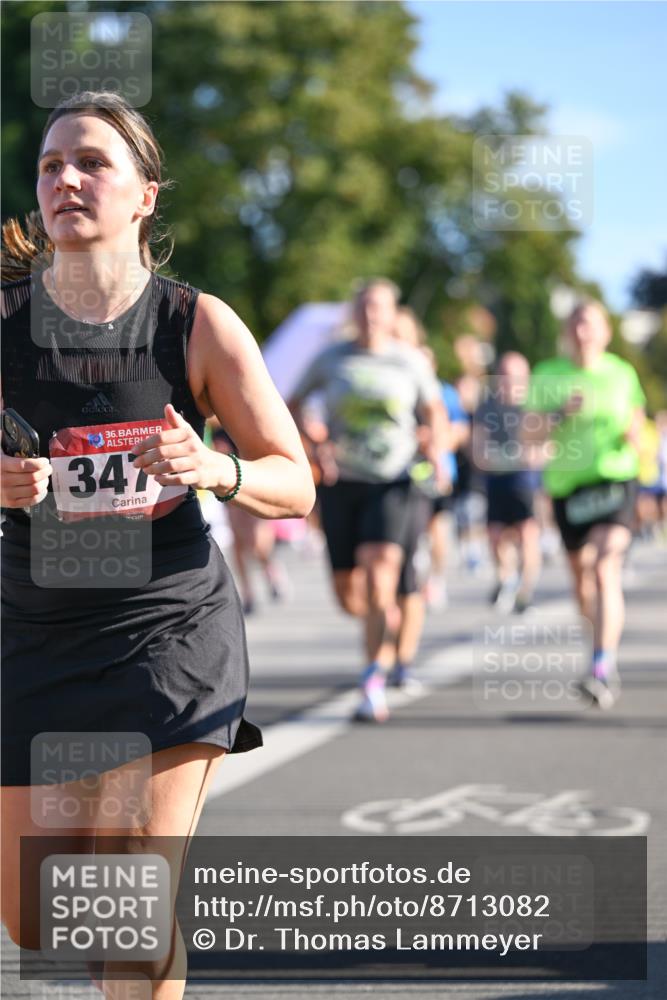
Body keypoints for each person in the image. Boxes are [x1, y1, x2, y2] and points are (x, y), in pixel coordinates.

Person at [0, 91, 314, 999]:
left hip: (165, 630)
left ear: (144, 195)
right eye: (51, 163)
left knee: (127, 897)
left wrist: (217, 470)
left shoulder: (197, 324)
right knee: (37, 914)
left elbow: (293, 479)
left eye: (92, 161)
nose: (66, 178)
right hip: (32, 634)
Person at [289, 279, 444, 721]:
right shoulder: (331, 358)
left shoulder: (408, 360)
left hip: (394, 479)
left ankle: (373, 679)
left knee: (381, 577)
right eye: (362, 306)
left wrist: (435, 444)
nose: (369, 315)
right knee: (347, 594)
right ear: (352, 313)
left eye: (377, 307)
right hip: (342, 481)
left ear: (392, 313)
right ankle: (380, 624)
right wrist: (314, 440)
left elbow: (433, 409)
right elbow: (293, 401)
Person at [525, 299, 645, 708]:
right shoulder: (547, 375)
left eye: (590, 324)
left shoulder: (621, 372)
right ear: (566, 331)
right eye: (575, 323)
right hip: (568, 489)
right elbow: (530, 438)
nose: (582, 332)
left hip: (614, 480)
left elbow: (636, 416)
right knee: (582, 579)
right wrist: (559, 413)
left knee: (604, 564)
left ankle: (600, 665)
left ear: (605, 331)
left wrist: (635, 434)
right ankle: (597, 646)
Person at [473, 352, 542, 614]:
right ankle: (506, 578)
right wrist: (482, 457)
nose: (508, 380)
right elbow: (477, 443)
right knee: (495, 536)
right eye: (504, 374)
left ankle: (526, 593)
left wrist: (536, 454)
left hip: (524, 479)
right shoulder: (487, 406)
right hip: (496, 478)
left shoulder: (533, 406)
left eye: (514, 375)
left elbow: (547, 444)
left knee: (527, 533)